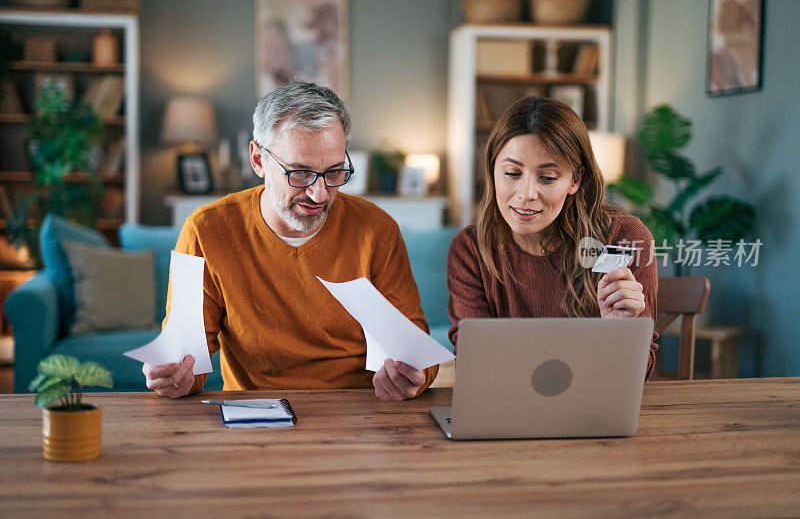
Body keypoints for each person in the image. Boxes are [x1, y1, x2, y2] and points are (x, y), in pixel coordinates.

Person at [142, 81, 437, 400]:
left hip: (359, 409)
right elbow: (188, 361)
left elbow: (418, 351)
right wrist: (176, 378)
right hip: (257, 413)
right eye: (299, 173)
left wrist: (413, 377)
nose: (319, 194)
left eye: (334, 173)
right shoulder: (206, 230)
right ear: (258, 160)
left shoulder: (377, 230)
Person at [447, 96, 659, 379]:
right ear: (492, 171)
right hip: (508, 412)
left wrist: (619, 331)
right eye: (512, 173)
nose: (526, 193)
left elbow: (639, 375)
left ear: (575, 180)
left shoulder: (621, 240)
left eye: (547, 178)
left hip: (593, 413)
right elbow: (476, 363)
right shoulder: (471, 249)